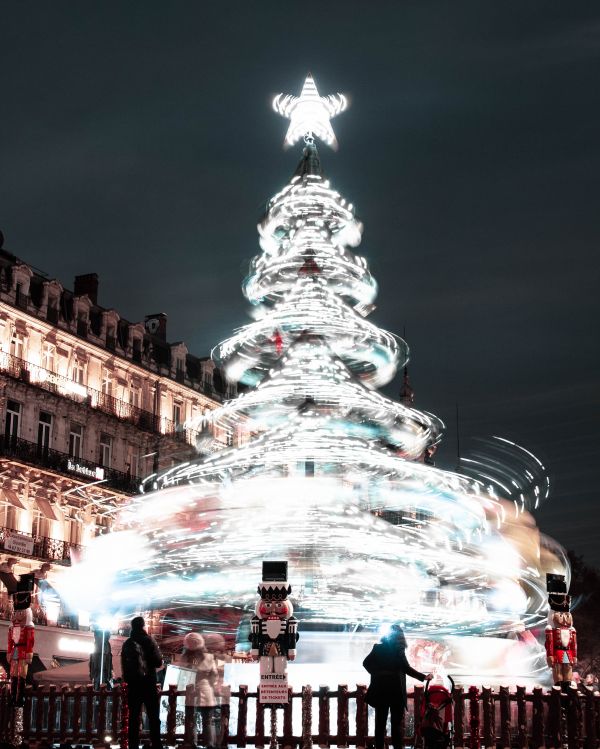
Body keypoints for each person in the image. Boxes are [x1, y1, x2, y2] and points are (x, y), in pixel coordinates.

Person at [363, 624, 433, 749]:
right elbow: (406, 669)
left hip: (381, 692)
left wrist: (378, 674)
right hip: (396, 693)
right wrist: (424, 677)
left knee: (380, 724)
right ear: (400, 637)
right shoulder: (398, 650)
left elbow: (366, 663)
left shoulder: (378, 648)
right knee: (396, 726)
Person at [120, 616, 163, 749]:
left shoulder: (127, 643)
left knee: (133, 717)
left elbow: (124, 665)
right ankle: (156, 744)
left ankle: (133, 745)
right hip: (148, 683)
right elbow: (158, 661)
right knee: (153, 717)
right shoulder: (149, 641)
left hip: (133, 685)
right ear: (143, 626)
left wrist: (129, 679)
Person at [174, 632, 218, 749]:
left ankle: (191, 743)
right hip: (206, 691)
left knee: (190, 719)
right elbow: (214, 675)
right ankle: (210, 744)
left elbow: (181, 676)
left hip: (191, 691)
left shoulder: (185, 657)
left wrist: (182, 687)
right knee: (208, 720)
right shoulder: (209, 657)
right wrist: (211, 685)